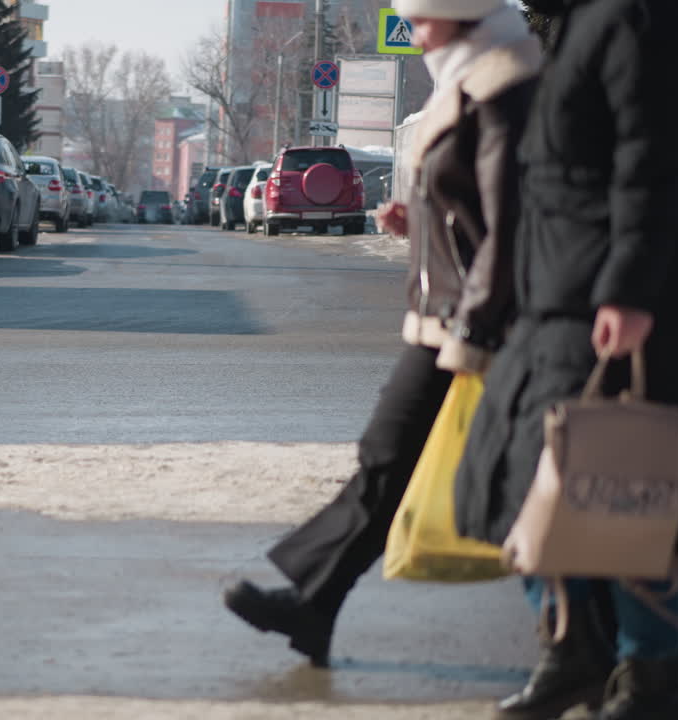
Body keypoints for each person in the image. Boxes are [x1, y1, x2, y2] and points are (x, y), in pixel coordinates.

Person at [222, 0, 541, 667]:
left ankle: (608, 647)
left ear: (460, 17)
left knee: (505, 486)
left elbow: (509, 230)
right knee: (386, 464)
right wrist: (417, 218)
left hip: (478, 324)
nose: (412, 30)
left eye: (421, 17)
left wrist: (476, 334)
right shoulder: (472, 78)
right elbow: (471, 206)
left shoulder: (503, 86)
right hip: (452, 316)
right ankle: (315, 605)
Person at [452, 0, 678, 716]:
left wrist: (628, 291)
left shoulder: (641, 18)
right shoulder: (597, 17)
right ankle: (576, 651)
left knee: (624, 490)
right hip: (564, 297)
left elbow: (652, 162)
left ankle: (647, 673)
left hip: (617, 305)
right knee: (526, 480)